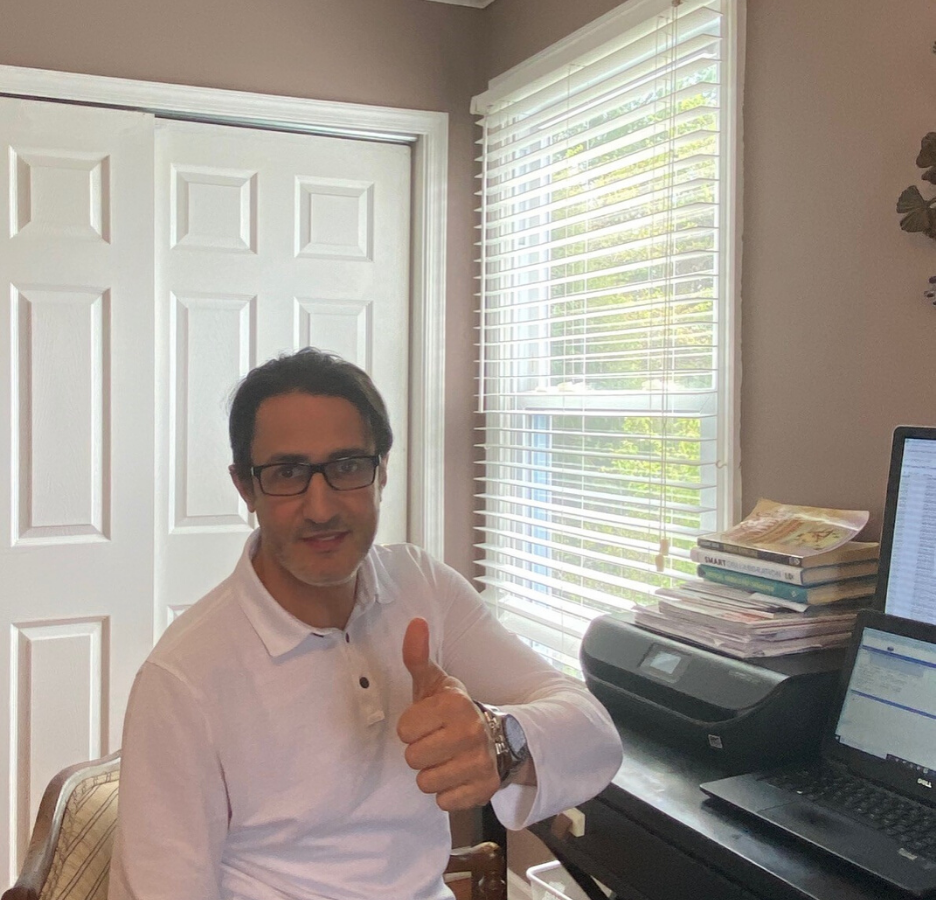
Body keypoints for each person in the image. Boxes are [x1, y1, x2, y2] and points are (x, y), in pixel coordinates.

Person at [109, 347, 623, 900]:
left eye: (347, 466)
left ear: (381, 472)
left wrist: (502, 743)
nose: (322, 507)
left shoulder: (421, 585)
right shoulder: (184, 678)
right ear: (245, 487)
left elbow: (594, 733)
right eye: (287, 473)